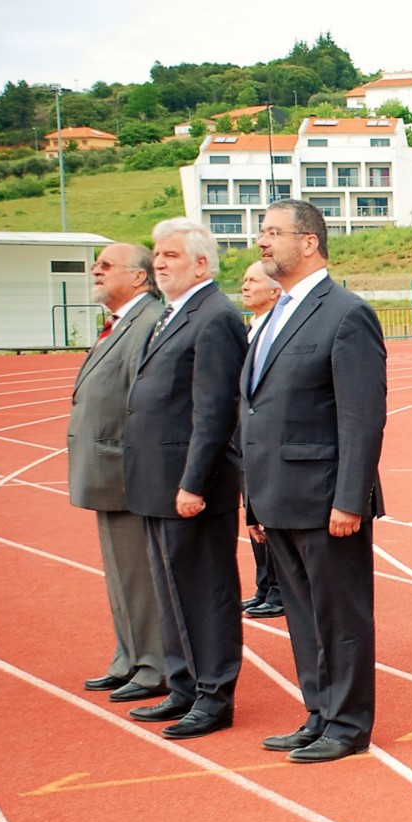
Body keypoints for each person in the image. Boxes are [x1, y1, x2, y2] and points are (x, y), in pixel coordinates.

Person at [242, 199, 387, 763]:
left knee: (340, 616)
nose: (261, 241)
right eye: (261, 232)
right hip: (278, 496)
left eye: (273, 232)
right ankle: (319, 711)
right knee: (302, 617)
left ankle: (348, 724)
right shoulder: (273, 314)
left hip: (327, 498)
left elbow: (361, 414)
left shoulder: (345, 312)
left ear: (309, 242)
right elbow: (254, 411)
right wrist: (252, 501)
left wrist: (351, 497)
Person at [122, 219, 247, 739]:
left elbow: (215, 411)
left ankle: (214, 694)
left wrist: (194, 482)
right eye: (156, 252)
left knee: (204, 590)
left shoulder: (215, 316)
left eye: (171, 253)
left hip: (189, 484)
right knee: (172, 590)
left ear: (201, 263)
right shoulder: (175, 313)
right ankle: (183, 686)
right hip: (158, 479)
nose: (160, 261)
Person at [68, 242, 167, 704]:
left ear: (140, 277)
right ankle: (130, 657)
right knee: (120, 572)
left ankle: (153, 664)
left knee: (137, 573)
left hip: (128, 469)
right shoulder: (122, 323)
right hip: (109, 468)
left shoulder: (147, 323)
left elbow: (143, 404)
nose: (96, 270)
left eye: (107, 265)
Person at [238, 262, 284, 620]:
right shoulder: (249, 329)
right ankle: (265, 584)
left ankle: (280, 590)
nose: (245, 285)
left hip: (271, 441)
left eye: (252, 280)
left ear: (275, 291)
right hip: (246, 439)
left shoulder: (276, 331)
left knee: (270, 516)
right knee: (252, 512)